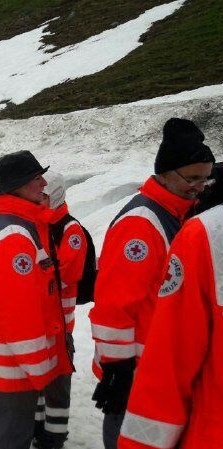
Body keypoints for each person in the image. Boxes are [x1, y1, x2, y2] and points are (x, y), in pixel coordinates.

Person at [88, 118, 215, 449]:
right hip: (135, 372)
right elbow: (113, 305)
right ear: (165, 173)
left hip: (159, 368)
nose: (200, 187)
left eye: (205, 179)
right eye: (192, 178)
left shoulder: (179, 212)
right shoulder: (141, 225)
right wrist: (118, 368)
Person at [0, 151, 73, 449]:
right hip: (16, 364)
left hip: (14, 360)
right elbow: (19, 313)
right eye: (36, 178)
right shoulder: (14, 236)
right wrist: (40, 368)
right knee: (11, 435)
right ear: (16, 186)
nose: (43, 183)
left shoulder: (16, 224)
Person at [118, 203, 223, 449]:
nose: (197, 187)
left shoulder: (204, 232)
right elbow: (118, 296)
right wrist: (115, 362)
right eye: (192, 182)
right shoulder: (205, 234)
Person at [33, 171, 89, 449]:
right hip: (36, 322)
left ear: (55, 196)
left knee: (57, 382)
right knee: (37, 380)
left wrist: (34, 270)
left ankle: (54, 437)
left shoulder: (70, 230)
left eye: (43, 196)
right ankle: (36, 428)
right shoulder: (34, 225)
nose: (38, 200)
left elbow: (68, 272)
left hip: (59, 325)